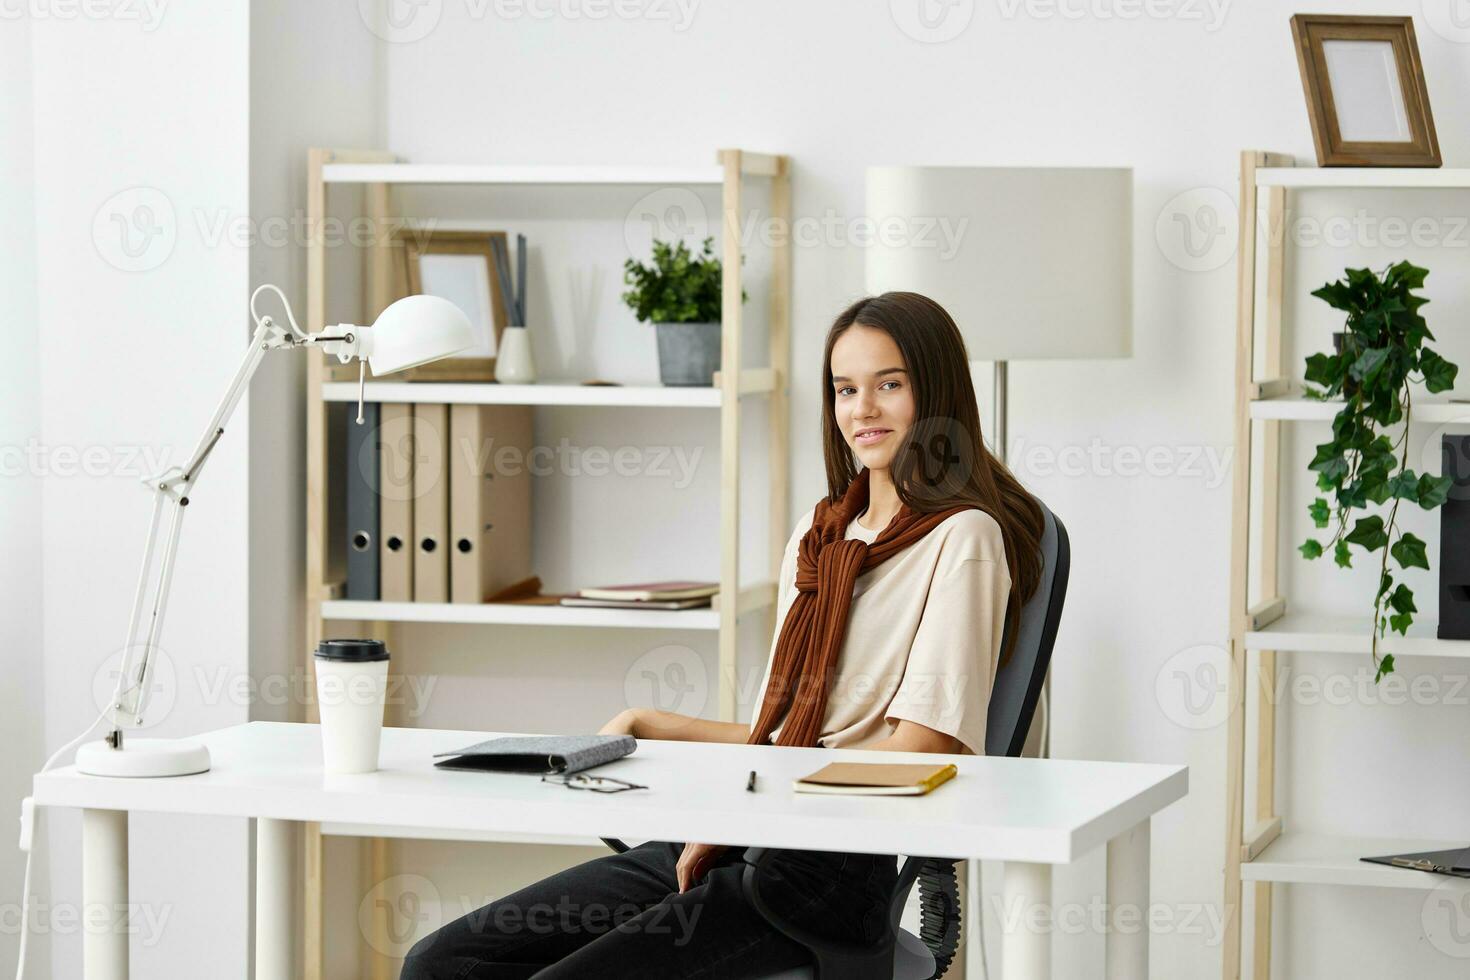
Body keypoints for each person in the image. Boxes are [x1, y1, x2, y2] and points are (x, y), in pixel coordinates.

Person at [401, 291, 1045, 979]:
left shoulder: (964, 538)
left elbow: (921, 748)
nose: (863, 409)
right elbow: (788, 737)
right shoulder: (820, 535)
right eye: (845, 388)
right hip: (745, 836)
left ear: (937, 389)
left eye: (890, 384)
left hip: (823, 877)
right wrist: (655, 723)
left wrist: (746, 814)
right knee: (444, 961)